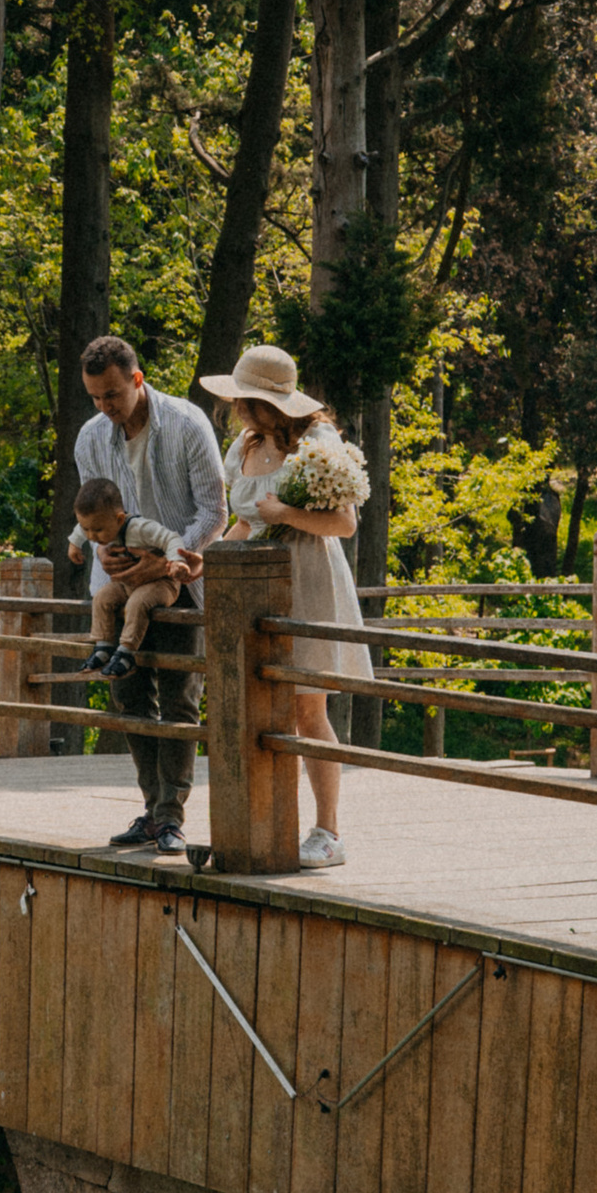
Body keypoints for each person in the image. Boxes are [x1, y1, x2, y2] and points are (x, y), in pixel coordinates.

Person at [201, 342, 370, 871]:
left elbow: (343, 524)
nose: (238, 410)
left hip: (309, 579)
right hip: (255, 584)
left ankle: (329, 831)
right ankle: (267, 821)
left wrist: (289, 512)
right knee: (261, 706)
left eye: (245, 401)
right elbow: (248, 521)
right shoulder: (244, 449)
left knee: (306, 707)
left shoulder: (317, 442)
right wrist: (209, 560)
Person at [72, 333, 227, 855]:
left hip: (180, 582)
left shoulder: (187, 425)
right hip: (118, 586)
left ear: (137, 380)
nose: (104, 407)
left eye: (112, 395)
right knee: (129, 698)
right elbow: (91, 519)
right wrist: (104, 553)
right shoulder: (91, 438)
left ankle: (170, 817)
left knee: (180, 701)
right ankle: (150, 807)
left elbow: (213, 511)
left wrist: (168, 559)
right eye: (95, 397)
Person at [70, 475, 192, 670]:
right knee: (102, 597)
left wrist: (176, 561)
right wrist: (74, 544)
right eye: (88, 530)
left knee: (137, 603)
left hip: (161, 584)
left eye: (98, 530)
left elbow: (171, 538)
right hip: (128, 584)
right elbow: (81, 527)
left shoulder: (140, 528)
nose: (92, 536)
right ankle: (103, 646)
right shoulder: (95, 524)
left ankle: (127, 651)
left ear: (119, 519)